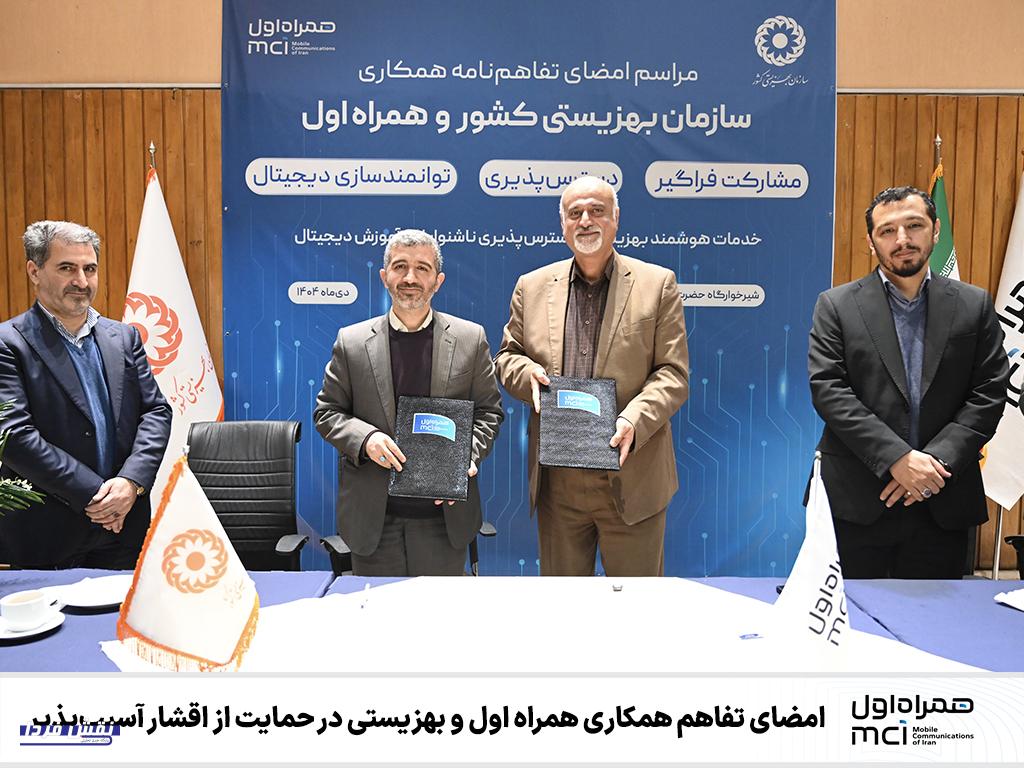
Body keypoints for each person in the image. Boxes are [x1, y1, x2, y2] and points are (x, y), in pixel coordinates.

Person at [808, 186, 1009, 579]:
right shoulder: (836, 306)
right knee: (853, 612)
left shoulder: (974, 305)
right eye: (887, 231)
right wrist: (898, 460)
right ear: (871, 242)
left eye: (914, 225)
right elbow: (829, 391)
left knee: (938, 615)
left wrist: (933, 466)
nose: (902, 239)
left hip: (943, 500)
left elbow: (988, 393)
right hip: (858, 501)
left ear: (936, 230)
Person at [494, 176, 689, 576]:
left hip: (631, 475)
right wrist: (527, 374)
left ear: (616, 218)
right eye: (575, 213)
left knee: (636, 605)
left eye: (597, 211)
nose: (585, 221)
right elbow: (507, 357)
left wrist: (634, 419)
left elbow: (673, 373)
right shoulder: (531, 287)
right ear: (563, 224)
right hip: (559, 483)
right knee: (565, 606)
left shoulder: (657, 284)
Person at [314, 229, 504, 576]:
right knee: (377, 610)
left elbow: (489, 413)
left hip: (443, 518)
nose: (410, 278)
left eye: (422, 268)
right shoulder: (352, 342)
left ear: (438, 281)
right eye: (400, 266)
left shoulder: (470, 339)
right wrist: (366, 439)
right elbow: (327, 412)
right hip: (374, 519)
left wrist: (465, 457)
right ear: (384, 276)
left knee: (437, 611)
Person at [0, 221, 172, 569]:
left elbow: (156, 411)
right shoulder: (8, 343)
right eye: (67, 268)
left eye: (89, 269)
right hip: (47, 532)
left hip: (124, 526)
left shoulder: (124, 338)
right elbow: (14, 435)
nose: (81, 281)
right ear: (34, 271)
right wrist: (95, 494)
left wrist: (130, 482)